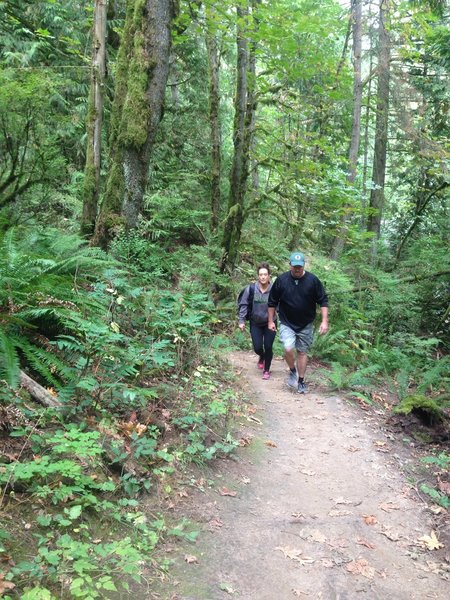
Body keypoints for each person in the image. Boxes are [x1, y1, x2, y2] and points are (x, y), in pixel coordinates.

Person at [267, 251, 328, 393]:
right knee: (288, 348)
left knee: (302, 352)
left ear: (303, 265)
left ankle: (301, 381)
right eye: (294, 266)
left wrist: (324, 321)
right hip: (287, 322)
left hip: (306, 323)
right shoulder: (282, 280)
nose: (297, 269)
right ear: (290, 265)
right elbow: (272, 302)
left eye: (299, 267)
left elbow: (323, 301)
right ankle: (292, 371)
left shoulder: (313, 281)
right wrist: (271, 321)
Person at [238, 262, 277, 380]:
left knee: (268, 345)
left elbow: (280, 306)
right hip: (255, 322)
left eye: (265, 274)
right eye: (261, 274)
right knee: (257, 347)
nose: (263, 277)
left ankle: (266, 370)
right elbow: (243, 304)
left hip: (270, 322)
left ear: (269, 275)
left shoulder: (275, 290)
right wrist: (241, 320)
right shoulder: (250, 289)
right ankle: (262, 356)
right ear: (258, 276)